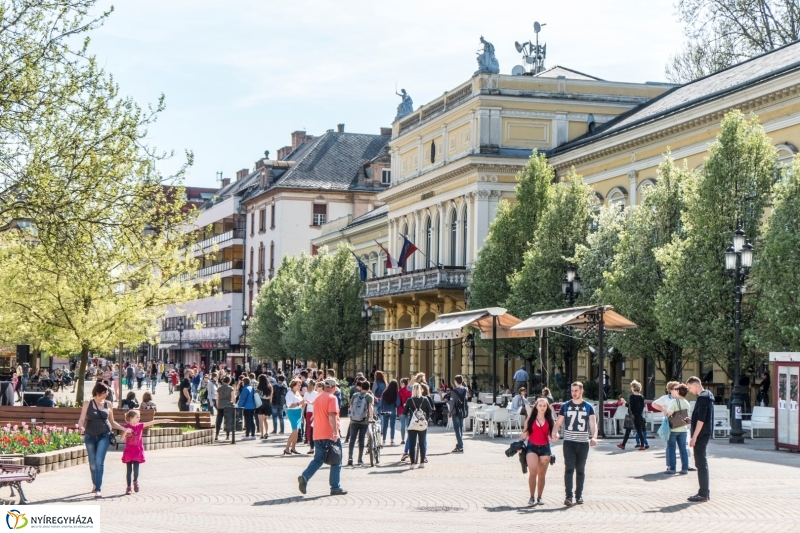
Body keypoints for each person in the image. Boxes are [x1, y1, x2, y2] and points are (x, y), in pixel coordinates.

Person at [77, 382, 131, 499]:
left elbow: (112, 422)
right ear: (97, 392)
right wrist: (81, 427)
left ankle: (98, 489)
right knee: (92, 463)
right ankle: (95, 483)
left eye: (106, 392)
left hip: (104, 435)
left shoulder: (108, 404)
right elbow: (81, 419)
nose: (106, 394)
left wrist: (124, 429)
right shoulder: (88, 403)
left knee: (99, 461)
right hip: (90, 436)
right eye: (104, 392)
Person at [298, 378, 346, 496]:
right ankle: (335, 487)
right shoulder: (332, 398)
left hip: (317, 434)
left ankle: (305, 477)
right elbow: (332, 416)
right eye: (336, 386)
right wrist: (335, 432)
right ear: (333, 387)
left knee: (318, 459)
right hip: (329, 435)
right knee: (336, 460)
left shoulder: (318, 397)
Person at [551, 382, 597, 507]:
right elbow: (558, 423)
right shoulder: (565, 406)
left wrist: (594, 437)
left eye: (576, 390)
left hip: (583, 443)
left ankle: (579, 495)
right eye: (572, 390)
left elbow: (593, 425)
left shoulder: (588, 407)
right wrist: (554, 432)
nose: (574, 393)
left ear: (582, 391)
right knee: (569, 469)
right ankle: (568, 496)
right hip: (569, 443)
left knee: (580, 470)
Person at [121, 410, 171, 495]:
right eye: (137, 417)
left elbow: (152, 422)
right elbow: (122, 438)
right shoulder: (126, 427)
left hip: (137, 451)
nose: (138, 418)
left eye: (139, 417)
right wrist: (126, 431)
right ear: (131, 418)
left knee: (136, 469)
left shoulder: (140, 426)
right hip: (129, 451)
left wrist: (164, 420)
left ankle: (135, 481)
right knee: (128, 470)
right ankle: (128, 487)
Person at [520, 397, 554, 506]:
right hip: (532, 447)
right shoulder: (530, 419)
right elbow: (524, 434)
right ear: (536, 407)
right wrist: (519, 444)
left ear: (547, 407)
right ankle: (531, 497)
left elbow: (553, 434)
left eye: (544, 406)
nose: (542, 407)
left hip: (545, 448)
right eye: (540, 405)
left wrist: (556, 435)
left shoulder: (550, 420)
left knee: (542, 474)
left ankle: (539, 497)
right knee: (533, 472)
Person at [686, 376, 714, 502]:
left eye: (690, 387)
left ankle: (703, 493)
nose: (690, 391)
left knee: (701, 463)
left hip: (701, 435)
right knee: (701, 463)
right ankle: (704, 492)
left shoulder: (702, 398)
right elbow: (702, 418)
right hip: (704, 433)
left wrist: (694, 437)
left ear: (695, 384)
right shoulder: (708, 395)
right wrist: (691, 421)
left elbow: (702, 420)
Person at [404, 383, 432, 468]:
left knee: (412, 444)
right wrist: (426, 419)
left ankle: (412, 464)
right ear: (420, 390)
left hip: (412, 424)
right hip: (422, 424)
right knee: (422, 443)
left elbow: (404, 412)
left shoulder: (409, 400)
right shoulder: (425, 399)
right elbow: (430, 410)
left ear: (413, 391)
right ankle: (422, 463)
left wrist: (407, 408)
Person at [666, 383, 691, 475]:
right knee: (683, 449)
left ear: (678, 391)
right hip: (683, 429)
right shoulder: (687, 403)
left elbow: (669, 413)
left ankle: (672, 468)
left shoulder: (674, 402)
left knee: (672, 449)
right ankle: (684, 468)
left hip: (673, 428)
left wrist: (667, 414)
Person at [347, 380, 374, 466]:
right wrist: (371, 418)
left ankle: (350, 457)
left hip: (353, 420)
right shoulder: (369, 396)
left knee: (352, 439)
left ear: (361, 387)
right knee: (361, 439)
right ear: (369, 388)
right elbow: (370, 408)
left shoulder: (355, 395)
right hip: (364, 421)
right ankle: (360, 459)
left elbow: (351, 407)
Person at [617, 380, 646, 451]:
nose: (631, 388)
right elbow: (641, 407)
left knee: (628, 431)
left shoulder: (632, 396)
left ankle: (623, 445)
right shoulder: (641, 397)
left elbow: (631, 407)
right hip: (639, 416)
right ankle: (642, 445)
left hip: (632, 416)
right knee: (639, 431)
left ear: (633, 387)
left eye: (631, 387)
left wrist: (625, 403)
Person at [284, 378, 305, 454]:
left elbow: (301, 402)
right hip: (292, 413)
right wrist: (299, 403)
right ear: (293, 385)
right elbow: (289, 405)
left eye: (300, 385)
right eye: (298, 385)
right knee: (294, 431)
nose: (300, 387)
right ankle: (287, 448)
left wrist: (303, 404)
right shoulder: (289, 394)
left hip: (299, 412)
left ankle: (293, 448)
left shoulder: (297, 393)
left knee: (297, 432)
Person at [449, 375, 469, 453]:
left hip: (455, 411)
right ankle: (458, 445)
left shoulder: (454, 391)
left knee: (457, 429)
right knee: (460, 429)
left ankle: (460, 446)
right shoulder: (465, 390)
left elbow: (452, 403)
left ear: (455, 381)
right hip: (463, 411)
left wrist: (450, 413)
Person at [379, 380, 400, 446]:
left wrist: (382, 409)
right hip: (393, 411)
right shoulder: (395, 393)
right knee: (392, 426)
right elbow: (398, 403)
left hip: (385, 411)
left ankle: (384, 440)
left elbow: (381, 403)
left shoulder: (384, 392)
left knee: (385, 426)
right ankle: (392, 440)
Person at [303, 381, 322, 452]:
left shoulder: (306, 393)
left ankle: (309, 440)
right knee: (315, 428)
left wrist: (302, 412)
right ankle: (315, 441)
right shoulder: (317, 393)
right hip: (315, 411)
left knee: (308, 427)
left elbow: (304, 404)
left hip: (308, 411)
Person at [215, 376, 234, 441]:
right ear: (229, 381)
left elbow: (217, 398)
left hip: (220, 405)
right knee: (227, 420)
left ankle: (216, 435)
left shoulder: (219, 388)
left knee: (219, 420)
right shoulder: (231, 388)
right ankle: (227, 436)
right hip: (228, 406)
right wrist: (233, 404)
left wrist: (218, 406)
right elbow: (233, 398)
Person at [256, 374, 273, 440]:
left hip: (260, 403)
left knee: (260, 420)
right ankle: (266, 432)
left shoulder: (259, 387)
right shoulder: (270, 386)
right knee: (265, 419)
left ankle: (262, 434)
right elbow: (271, 397)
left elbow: (257, 395)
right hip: (267, 403)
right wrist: (269, 403)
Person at [398, 377, 412, 448]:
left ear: (403, 383)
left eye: (401, 383)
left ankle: (403, 439)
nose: (400, 385)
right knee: (408, 425)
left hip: (402, 409)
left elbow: (398, 402)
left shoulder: (400, 392)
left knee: (402, 425)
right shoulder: (410, 391)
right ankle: (409, 438)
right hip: (409, 409)